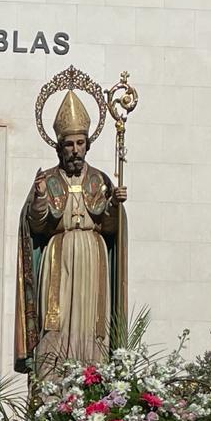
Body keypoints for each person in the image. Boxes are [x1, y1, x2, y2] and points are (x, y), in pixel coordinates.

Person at [16, 89, 126, 376]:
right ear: (59, 148)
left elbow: (112, 229)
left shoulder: (100, 180)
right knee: (56, 323)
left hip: (92, 257)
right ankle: (51, 380)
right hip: (59, 258)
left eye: (80, 143)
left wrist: (115, 205)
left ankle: (91, 379)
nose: (75, 150)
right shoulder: (48, 180)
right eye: (69, 144)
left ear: (87, 145)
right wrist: (39, 199)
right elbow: (36, 228)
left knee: (91, 326)